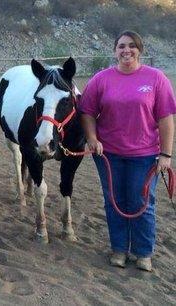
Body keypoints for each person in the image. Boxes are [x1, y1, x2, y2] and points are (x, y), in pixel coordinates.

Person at [80, 30, 176, 271]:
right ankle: (119, 249)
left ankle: (143, 252)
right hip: (108, 154)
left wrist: (166, 154)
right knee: (114, 202)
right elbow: (87, 112)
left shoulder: (156, 78)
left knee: (141, 202)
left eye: (132, 46)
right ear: (115, 50)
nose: (126, 50)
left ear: (140, 49)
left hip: (144, 155)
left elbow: (166, 118)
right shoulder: (101, 79)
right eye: (121, 46)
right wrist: (92, 138)